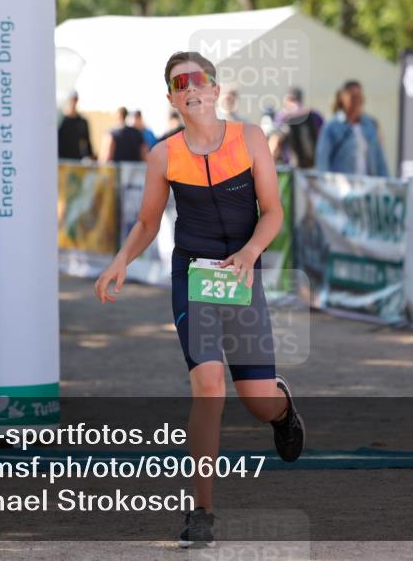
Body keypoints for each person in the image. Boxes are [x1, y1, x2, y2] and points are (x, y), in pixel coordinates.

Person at [93, 51, 305, 548]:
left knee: (257, 400)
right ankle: (201, 511)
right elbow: (148, 221)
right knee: (209, 386)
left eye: (198, 79)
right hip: (193, 279)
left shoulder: (250, 139)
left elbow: (273, 211)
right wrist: (121, 260)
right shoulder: (163, 154)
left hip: (242, 275)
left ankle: (281, 410)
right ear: (171, 98)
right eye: (179, 83)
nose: (190, 87)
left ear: (214, 88)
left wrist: (250, 253)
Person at [315, 80, 389, 176]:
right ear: (342, 98)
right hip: (341, 184)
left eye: (358, 96)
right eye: (352, 97)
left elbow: (379, 159)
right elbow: (322, 161)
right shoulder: (331, 127)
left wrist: (386, 181)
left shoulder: (370, 124)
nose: (356, 101)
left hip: (368, 183)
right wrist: (325, 182)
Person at [271, 87, 323, 169]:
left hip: (292, 167)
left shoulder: (283, 116)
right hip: (315, 165)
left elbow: (275, 142)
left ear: (287, 99)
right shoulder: (315, 115)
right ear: (301, 99)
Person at [58, 90, 94, 160]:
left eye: (75, 99)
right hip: (61, 158)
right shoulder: (61, 120)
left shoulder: (82, 122)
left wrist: (90, 156)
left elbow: (87, 141)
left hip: (76, 158)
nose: (73, 102)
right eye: (72, 99)